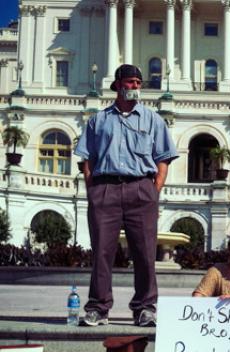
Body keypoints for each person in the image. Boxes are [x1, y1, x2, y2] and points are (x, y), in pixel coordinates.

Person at [74, 64, 178, 327]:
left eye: (138, 83)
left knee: (144, 253)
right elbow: (87, 158)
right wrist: (93, 189)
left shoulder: (153, 119)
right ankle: (98, 307)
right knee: (101, 252)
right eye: (130, 82)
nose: (135, 87)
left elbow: (163, 158)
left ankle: (145, 308)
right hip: (105, 188)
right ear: (118, 85)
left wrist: (153, 190)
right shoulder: (99, 120)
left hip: (141, 189)